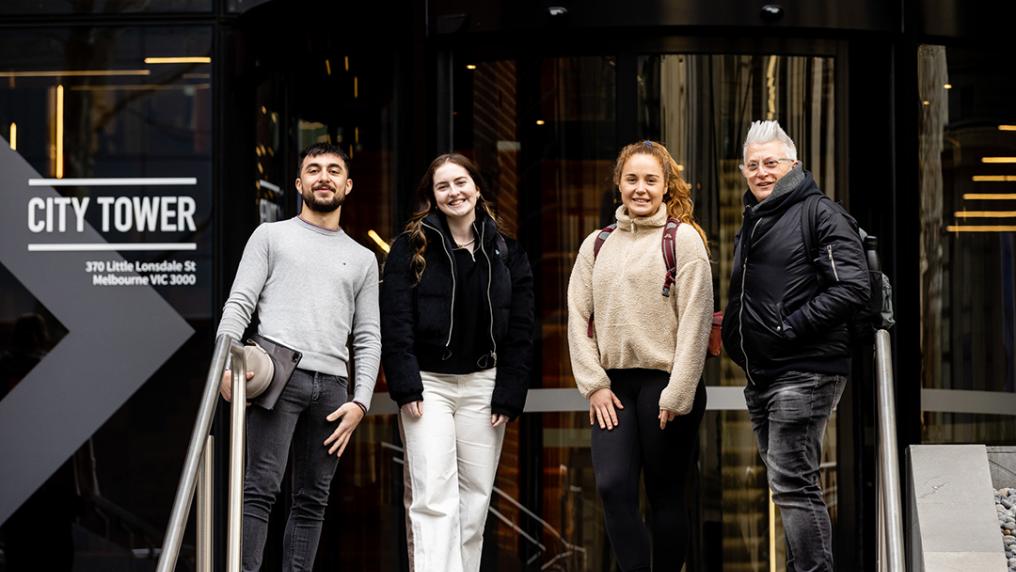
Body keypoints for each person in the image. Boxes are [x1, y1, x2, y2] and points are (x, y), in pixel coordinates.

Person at [216, 142, 382, 571]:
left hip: (333, 392)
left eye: (332, 170)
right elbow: (239, 304)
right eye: (313, 169)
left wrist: (361, 402)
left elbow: (367, 337)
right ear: (299, 183)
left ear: (347, 184)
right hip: (278, 377)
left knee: (313, 500)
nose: (323, 176)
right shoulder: (271, 237)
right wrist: (223, 365)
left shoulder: (363, 259)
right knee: (260, 490)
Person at [721, 120, 869, 572]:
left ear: (794, 165)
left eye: (772, 163)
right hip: (765, 372)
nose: (762, 172)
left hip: (804, 368)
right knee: (788, 483)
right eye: (753, 165)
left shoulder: (819, 212)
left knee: (793, 483)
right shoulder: (757, 220)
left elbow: (852, 287)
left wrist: (789, 328)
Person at [380, 153, 534, 572]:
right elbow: (395, 324)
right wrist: (406, 384)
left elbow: (521, 331)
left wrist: (509, 393)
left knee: (475, 499)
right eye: (443, 186)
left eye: (461, 182)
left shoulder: (506, 252)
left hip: (484, 387)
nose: (454, 192)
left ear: (477, 187)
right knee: (433, 498)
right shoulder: (410, 248)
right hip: (429, 387)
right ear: (432, 197)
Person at [567, 140, 713, 571]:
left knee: (666, 495)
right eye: (632, 179)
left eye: (651, 180)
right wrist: (593, 385)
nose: (641, 188)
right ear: (619, 184)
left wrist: (679, 392)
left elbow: (696, 319)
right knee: (613, 487)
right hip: (612, 388)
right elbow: (577, 314)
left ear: (666, 186)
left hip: (667, 385)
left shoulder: (683, 240)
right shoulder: (596, 244)